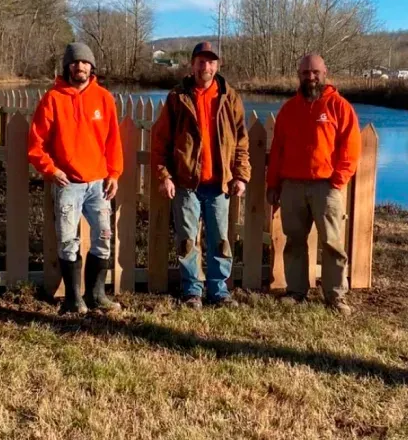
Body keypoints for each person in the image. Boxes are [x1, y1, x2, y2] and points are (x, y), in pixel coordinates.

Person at [151, 41, 251, 309]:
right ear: (192, 64)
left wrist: (241, 176)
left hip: (220, 185)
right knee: (187, 240)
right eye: (201, 61)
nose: (205, 66)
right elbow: (160, 142)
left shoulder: (229, 97)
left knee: (220, 240)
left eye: (211, 62)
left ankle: (219, 291)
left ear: (217, 66)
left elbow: (241, 141)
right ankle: (192, 291)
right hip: (186, 184)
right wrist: (165, 176)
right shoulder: (177, 97)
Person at [28, 42, 123, 314]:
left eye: (84, 62)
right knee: (68, 242)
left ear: (92, 67)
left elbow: (113, 141)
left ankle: (96, 295)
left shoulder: (104, 98)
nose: (79, 66)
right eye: (74, 62)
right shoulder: (52, 99)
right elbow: (36, 144)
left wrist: (114, 173)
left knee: (104, 236)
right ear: (67, 66)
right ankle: (73, 300)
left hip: (98, 184)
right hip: (67, 183)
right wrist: (51, 169)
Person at [266, 53, 361, 315]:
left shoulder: (339, 107)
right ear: (299, 74)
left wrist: (337, 180)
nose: (310, 77)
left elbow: (351, 149)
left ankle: (335, 296)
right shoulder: (288, 109)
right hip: (292, 186)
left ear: (324, 73)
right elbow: (278, 151)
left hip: (325, 186)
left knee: (331, 243)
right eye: (305, 72)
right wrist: (273, 184)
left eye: (315, 72)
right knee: (295, 240)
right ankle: (296, 292)